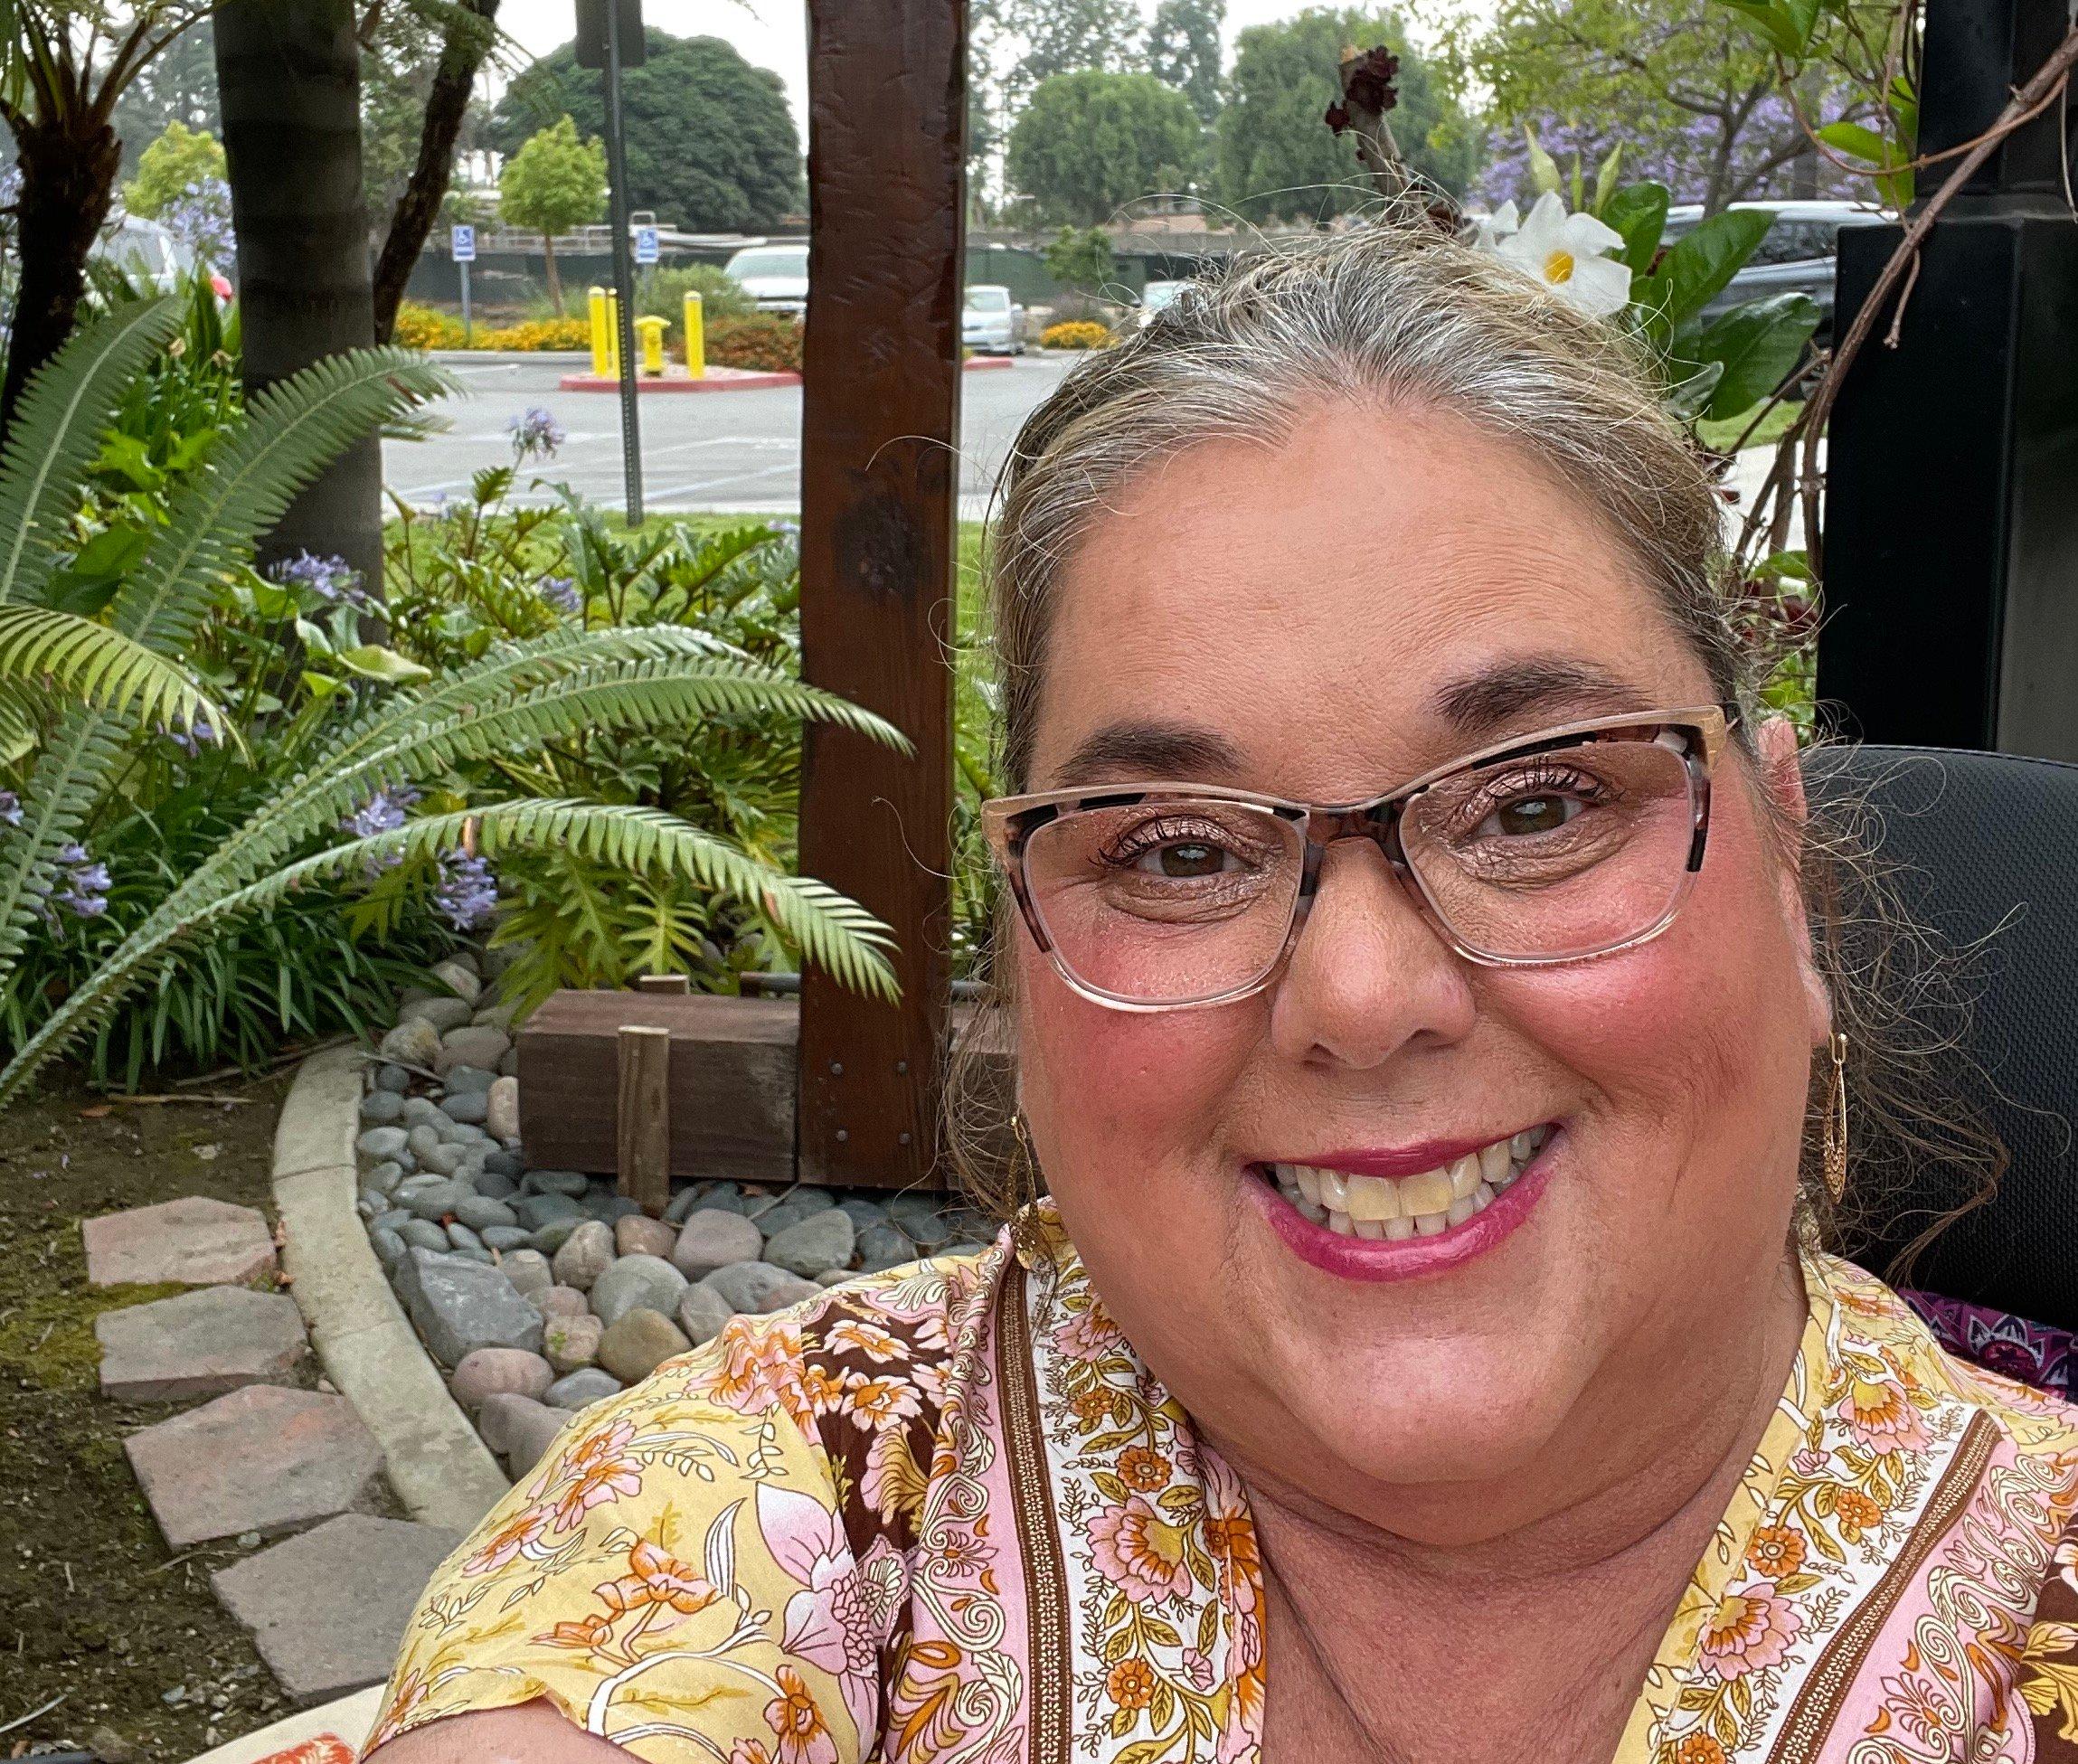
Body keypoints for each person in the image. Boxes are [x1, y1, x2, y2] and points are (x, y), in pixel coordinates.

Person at [361, 222, 2078, 1764]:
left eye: (1539, 804)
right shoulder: (781, 1503)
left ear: (1789, 872)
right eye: (1177, 853)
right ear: (1020, 964)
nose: (1356, 991)